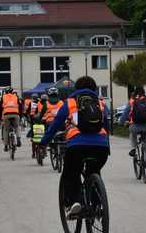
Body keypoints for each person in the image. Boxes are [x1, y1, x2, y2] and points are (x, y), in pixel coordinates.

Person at [41, 76, 109, 216]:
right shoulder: (100, 103)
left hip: (77, 145)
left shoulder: (70, 102)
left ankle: (74, 202)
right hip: (101, 147)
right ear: (94, 89)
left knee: (71, 172)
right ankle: (97, 206)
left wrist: (44, 142)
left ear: (76, 88)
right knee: (94, 171)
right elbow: (106, 126)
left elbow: (55, 124)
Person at [119, 87, 146, 175]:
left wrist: (121, 122)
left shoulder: (132, 102)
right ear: (144, 93)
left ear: (135, 93)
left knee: (132, 133)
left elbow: (125, 114)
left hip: (135, 127)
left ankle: (133, 149)